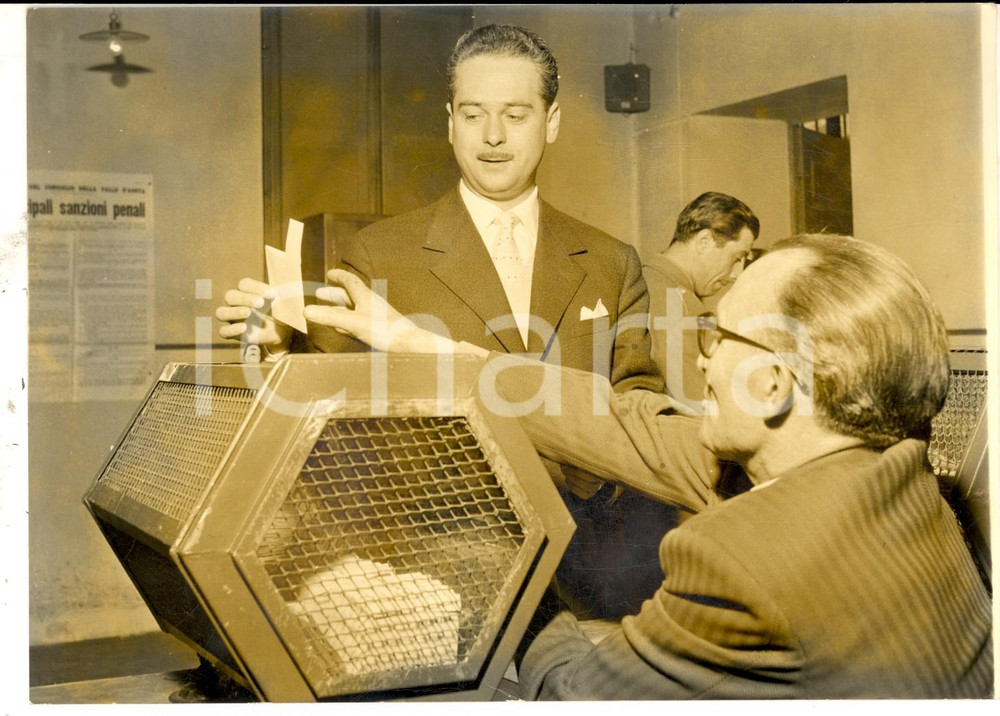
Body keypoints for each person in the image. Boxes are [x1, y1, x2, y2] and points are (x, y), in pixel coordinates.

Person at [305, 234, 993, 698]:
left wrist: (514, 599)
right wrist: (412, 342)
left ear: (776, 385)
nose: (700, 359)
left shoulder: (738, 559)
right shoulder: (904, 480)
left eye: (718, 334)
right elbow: (617, 419)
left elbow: (579, 693)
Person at [217, 24, 665, 619]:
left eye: (516, 113)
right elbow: (325, 407)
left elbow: (641, 408)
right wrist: (277, 344)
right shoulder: (381, 255)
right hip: (442, 577)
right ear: (449, 120)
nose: (494, 137)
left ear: (551, 121)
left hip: (589, 575)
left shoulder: (610, 261)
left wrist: (586, 472)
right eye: (474, 114)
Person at [644, 192, 759, 414]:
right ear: (704, 241)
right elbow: (698, 408)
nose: (736, 274)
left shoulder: (644, 279)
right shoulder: (679, 304)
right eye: (737, 258)